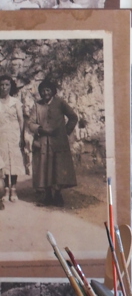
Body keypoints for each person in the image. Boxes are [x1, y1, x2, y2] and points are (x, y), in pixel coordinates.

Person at [28, 79, 78, 207]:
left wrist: (65, 131)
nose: (45, 93)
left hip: (58, 142)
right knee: (44, 168)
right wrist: (39, 129)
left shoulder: (60, 102)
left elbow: (73, 117)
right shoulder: (37, 105)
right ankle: (48, 195)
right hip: (43, 142)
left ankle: (58, 194)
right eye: (43, 90)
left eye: (48, 90)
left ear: (52, 91)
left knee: (58, 168)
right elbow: (30, 123)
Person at [0, 75, 26, 207]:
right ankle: (5, 190)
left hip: (14, 134)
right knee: (3, 162)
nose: (4, 87)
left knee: (14, 161)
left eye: (6, 85)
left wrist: (21, 137)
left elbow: (21, 120)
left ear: (11, 86)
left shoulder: (15, 102)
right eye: (2, 85)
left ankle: (13, 189)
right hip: (1, 135)